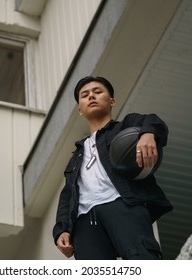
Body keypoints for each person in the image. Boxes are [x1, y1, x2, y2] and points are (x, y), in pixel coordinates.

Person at [52, 76, 173, 260]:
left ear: (112, 101)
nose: (91, 96)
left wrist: (148, 134)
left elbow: (153, 120)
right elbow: (67, 195)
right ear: (80, 110)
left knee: (142, 257)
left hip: (123, 204)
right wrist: (62, 229)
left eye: (98, 92)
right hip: (84, 220)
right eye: (85, 95)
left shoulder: (126, 127)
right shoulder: (76, 156)